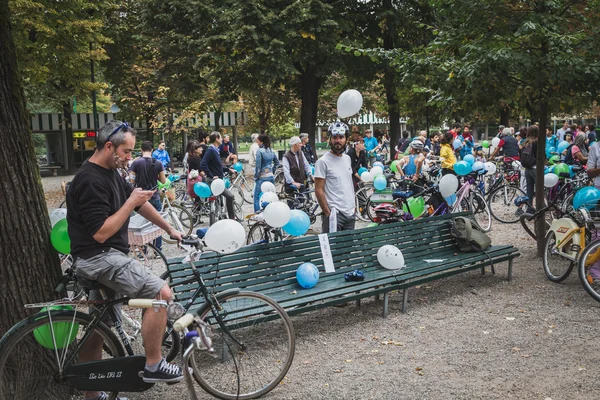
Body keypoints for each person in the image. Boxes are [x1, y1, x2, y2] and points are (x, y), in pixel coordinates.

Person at [66, 121, 185, 399]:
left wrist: (170, 229)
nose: (130, 158)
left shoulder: (109, 171)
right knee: (159, 292)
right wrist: (130, 203)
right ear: (109, 147)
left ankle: (92, 396)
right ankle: (154, 364)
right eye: (127, 151)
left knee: (100, 328)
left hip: (100, 258)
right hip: (99, 257)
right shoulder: (91, 180)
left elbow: (140, 203)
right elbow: (100, 233)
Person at [314, 122, 356, 233]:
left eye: (341, 137)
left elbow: (347, 183)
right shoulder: (322, 162)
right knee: (332, 249)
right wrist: (327, 213)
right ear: (330, 139)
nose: (338, 141)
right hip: (335, 215)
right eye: (334, 137)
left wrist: (353, 207)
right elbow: (318, 189)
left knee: (347, 249)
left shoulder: (347, 159)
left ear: (346, 139)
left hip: (350, 214)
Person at [130, 140, 167, 250]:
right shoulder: (158, 163)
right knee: (157, 223)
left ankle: (143, 249)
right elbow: (163, 181)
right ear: (152, 150)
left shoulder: (136, 163)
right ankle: (157, 249)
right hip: (154, 195)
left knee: (141, 225)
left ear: (141, 150)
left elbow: (131, 181)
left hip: (141, 198)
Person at [199, 131, 237, 219]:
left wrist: (228, 169)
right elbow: (203, 164)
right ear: (216, 139)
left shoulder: (215, 150)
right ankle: (232, 219)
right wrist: (211, 175)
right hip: (214, 181)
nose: (221, 140)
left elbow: (217, 166)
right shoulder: (211, 150)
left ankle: (219, 216)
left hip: (217, 180)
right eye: (220, 138)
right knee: (230, 196)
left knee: (218, 201)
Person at [282, 136, 313, 201]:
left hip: (301, 183)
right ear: (294, 145)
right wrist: (293, 182)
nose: (301, 145)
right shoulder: (286, 156)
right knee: (292, 205)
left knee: (304, 203)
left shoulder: (301, 153)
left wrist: (310, 175)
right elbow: (286, 172)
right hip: (291, 185)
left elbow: (306, 165)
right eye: (299, 143)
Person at [254, 133, 279, 212]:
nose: (257, 143)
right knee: (271, 195)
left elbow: (258, 166)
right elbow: (277, 163)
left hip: (262, 176)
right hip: (271, 176)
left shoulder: (260, 151)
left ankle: (257, 213)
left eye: (258, 142)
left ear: (261, 142)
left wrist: (256, 176)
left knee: (257, 196)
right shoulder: (271, 150)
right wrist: (273, 170)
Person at [521, 125, 538, 213]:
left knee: (529, 190)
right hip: (535, 168)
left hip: (527, 168)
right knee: (540, 190)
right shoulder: (536, 142)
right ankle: (540, 208)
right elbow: (539, 156)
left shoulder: (525, 142)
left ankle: (529, 209)